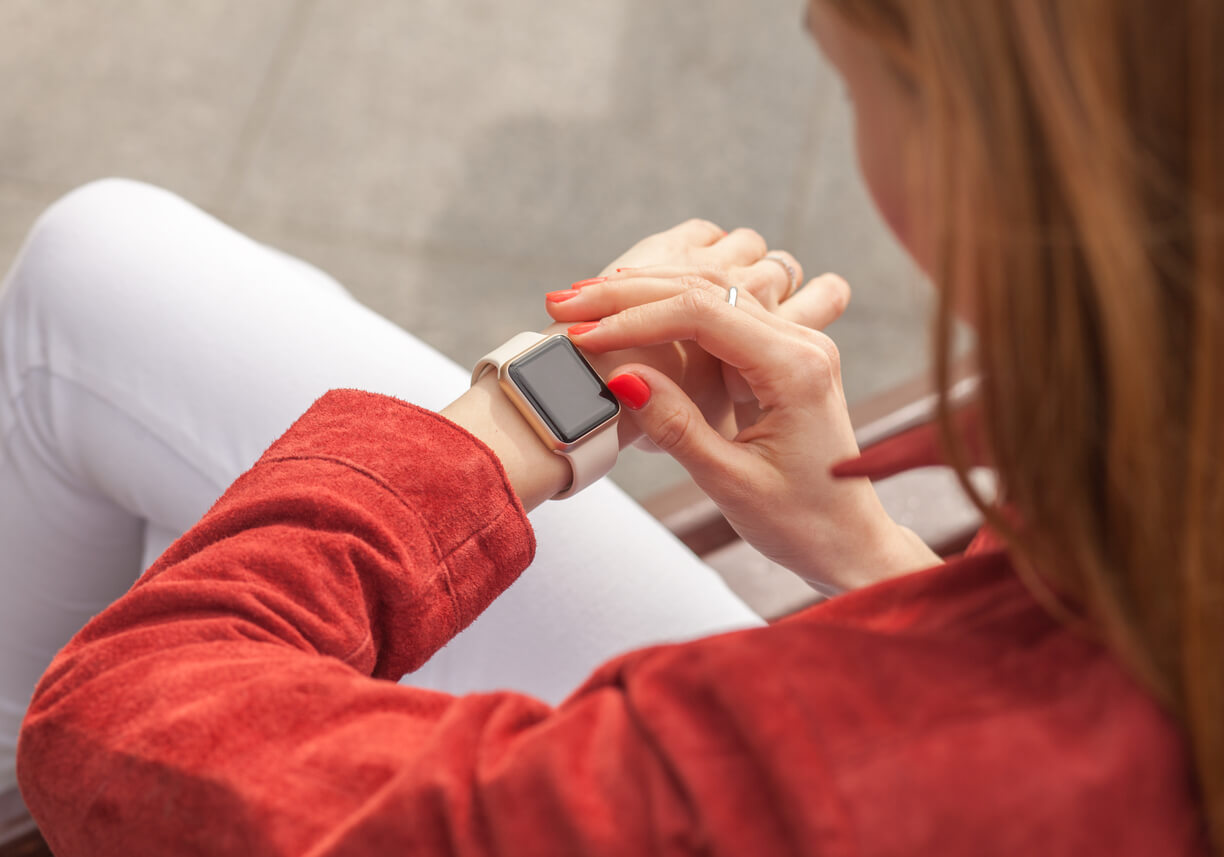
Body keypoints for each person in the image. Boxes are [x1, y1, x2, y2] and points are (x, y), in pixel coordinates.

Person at [10, 0, 1223, 855]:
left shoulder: (782, 774)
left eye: (852, 78)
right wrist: (865, 550)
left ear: (997, 153)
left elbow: (114, 723)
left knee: (94, 269)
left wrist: (514, 418)